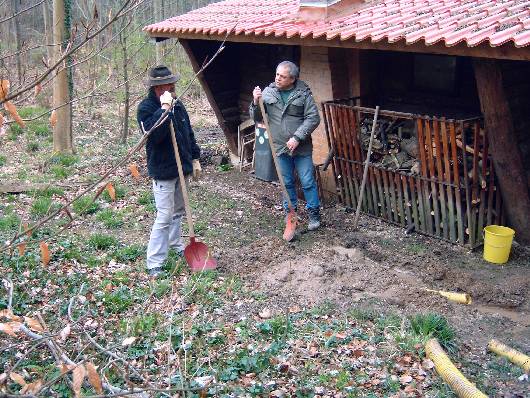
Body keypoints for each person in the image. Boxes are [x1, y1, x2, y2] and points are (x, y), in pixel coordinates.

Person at [137, 65, 201, 277]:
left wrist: (195, 157)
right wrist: (164, 110)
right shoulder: (146, 108)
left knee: (178, 212)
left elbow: (187, 132)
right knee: (164, 216)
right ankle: (154, 262)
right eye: (168, 84)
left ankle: (175, 244)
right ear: (157, 87)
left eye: (173, 83)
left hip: (181, 168)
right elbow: (154, 135)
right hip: (163, 170)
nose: (173, 86)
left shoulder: (178, 104)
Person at [249, 61, 321, 231]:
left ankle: (314, 214)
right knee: (286, 181)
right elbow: (257, 117)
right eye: (277, 75)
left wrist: (297, 137)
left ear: (292, 79)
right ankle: (291, 214)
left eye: (282, 76)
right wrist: (255, 102)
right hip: (280, 147)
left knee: (307, 181)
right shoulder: (268, 92)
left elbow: (313, 118)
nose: (278, 78)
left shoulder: (303, 94)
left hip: (301, 148)